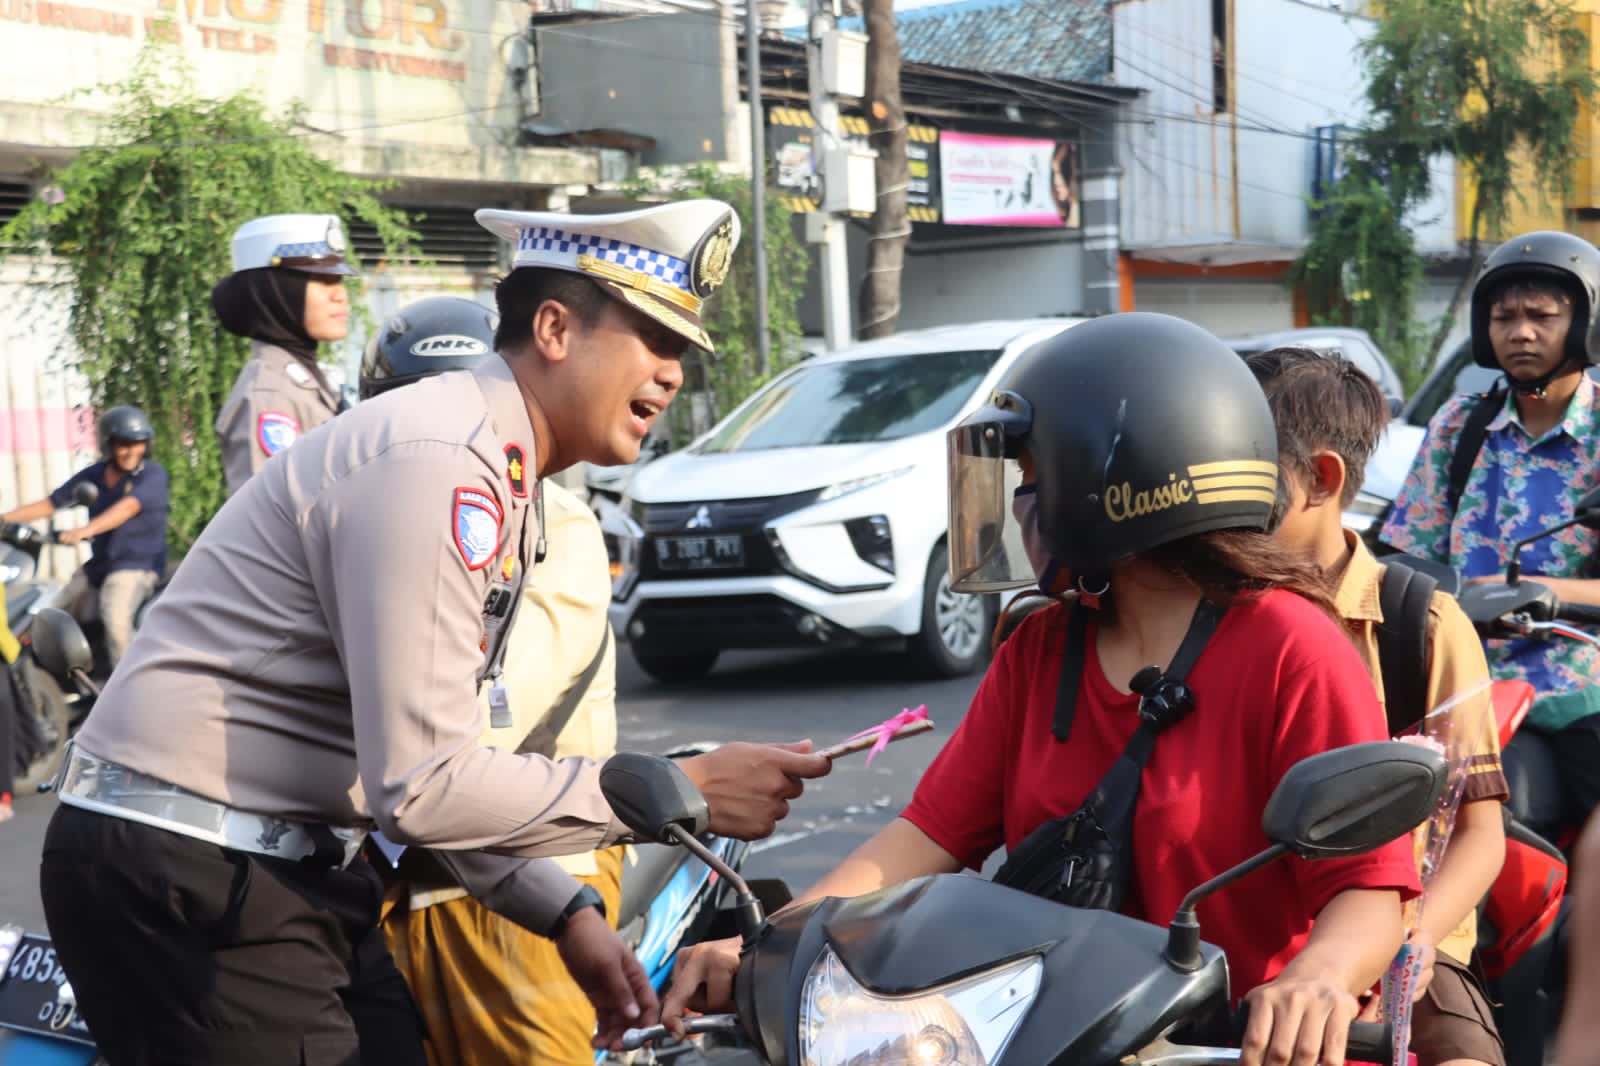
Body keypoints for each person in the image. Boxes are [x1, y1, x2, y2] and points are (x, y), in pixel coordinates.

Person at [38, 198, 830, 1066]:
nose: (673, 373)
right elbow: (423, 787)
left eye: (681, 350)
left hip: (277, 862)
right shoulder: (443, 462)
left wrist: (564, 914)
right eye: (653, 338)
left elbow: (429, 767)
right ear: (556, 329)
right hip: (187, 869)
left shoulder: (501, 469)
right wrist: (682, 788)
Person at [664, 312, 1421, 1066]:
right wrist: (774, 940)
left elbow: (1370, 885)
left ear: (1115, 482)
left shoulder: (1293, 647)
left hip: (1229, 1049)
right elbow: (930, 835)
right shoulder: (1041, 649)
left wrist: (1317, 981)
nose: (1019, 505)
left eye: (1032, 478)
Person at [361, 295, 630, 1065]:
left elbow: (483, 723)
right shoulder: (380, 516)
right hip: (405, 875)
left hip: (528, 871)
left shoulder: (557, 525)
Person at [1249, 346, 1508, 1066]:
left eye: (1246, 470)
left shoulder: (1419, 624)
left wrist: (1415, 937)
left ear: (1322, 479)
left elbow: (1479, 833)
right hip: (1261, 931)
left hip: (1409, 942)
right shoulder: (1214, 615)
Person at [1380, 230, 1600, 841]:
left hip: (1580, 680)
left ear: (1584, 322)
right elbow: (1405, 558)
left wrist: (1541, 591)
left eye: (1541, 316)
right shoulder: (1459, 426)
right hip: (1461, 678)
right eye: (1504, 317)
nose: (1520, 332)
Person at [1, 405, 168, 669]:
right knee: (52, 613)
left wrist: (83, 531)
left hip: (135, 567)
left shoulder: (153, 475)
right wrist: (4, 519)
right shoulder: (96, 475)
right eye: (124, 444)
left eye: (138, 444)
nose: (131, 451)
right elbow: (52, 502)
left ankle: (127, 690)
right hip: (98, 567)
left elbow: (127, 508)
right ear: (108, 444)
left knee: (115, 620)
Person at [213, 212, 354, 495]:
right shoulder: (269, 395)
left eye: (339, 279)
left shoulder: (308, 379)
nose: (340, 295)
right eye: (323, 280)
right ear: (280, 291)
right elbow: (269, 521)